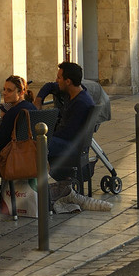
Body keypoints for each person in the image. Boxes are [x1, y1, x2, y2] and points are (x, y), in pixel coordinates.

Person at [43, 62, 112, 213]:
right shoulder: (77, 94)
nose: (57, 80)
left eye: (59, 77)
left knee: (36, 145)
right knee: (36, 144)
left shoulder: (80, 103)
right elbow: (50, 86)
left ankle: (39, 191)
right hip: (69, 142)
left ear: (68, 81)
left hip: (69, 145)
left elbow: (67, 133)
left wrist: (47, 136)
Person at [0, 75, 31, 204]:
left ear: (20, 92)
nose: (4, 93)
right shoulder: (31, 108)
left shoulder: (14, 112)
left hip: (11, 159)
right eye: (4, 89)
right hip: (31, 157)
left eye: (9, 90)